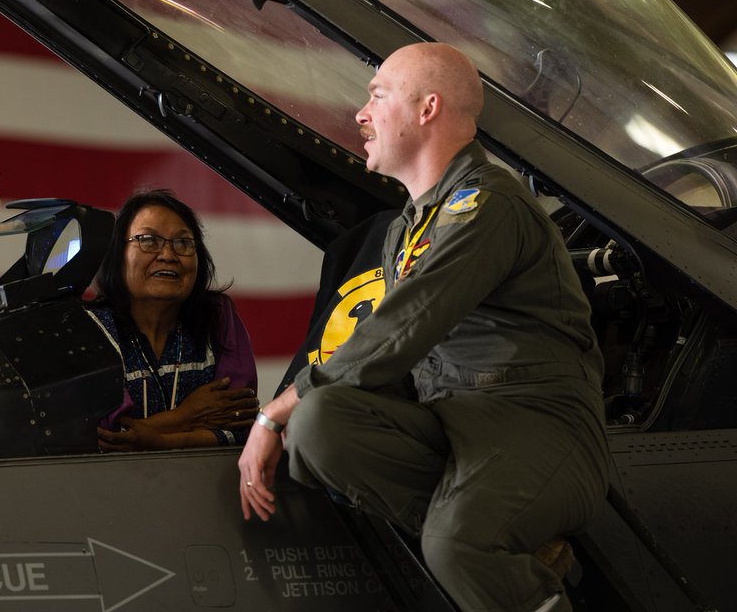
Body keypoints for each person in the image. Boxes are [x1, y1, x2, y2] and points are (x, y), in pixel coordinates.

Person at [238, 43, 609, 612]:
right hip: (449, 419)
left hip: (535, 422)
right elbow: (392, 360)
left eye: (378, 96)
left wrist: (273, 410)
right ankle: (514, 548)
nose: (361, 114)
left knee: (456, 543)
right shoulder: (406, 228)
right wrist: (297, 414)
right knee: (320, 428)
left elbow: (406, 326)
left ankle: (478, 542)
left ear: (427, 108)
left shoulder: (488, 204)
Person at [88, 189, 260, 450]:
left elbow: (240, 423)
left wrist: (157, 439)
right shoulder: (92, 327)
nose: (168, 254)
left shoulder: (217, 316)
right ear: (118, 253)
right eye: (148, 240)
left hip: (207, 482)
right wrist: (187, 416)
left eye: (183, 243)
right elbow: (107, 434)